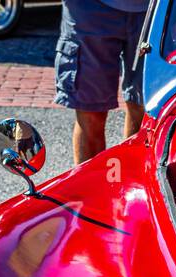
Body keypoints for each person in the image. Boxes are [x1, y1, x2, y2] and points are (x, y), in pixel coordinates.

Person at [54, 0, 150, 165]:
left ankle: (132, 183)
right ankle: (87, 188)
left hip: (157, 8)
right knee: (91, 112)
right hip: (90, 8)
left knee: (147, 106)